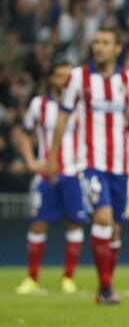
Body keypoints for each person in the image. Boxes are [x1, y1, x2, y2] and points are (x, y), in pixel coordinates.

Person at [48, 27, 129, 304]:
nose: (98, 47)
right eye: (96, 42)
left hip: (120, 166)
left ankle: (104, 286)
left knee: (115, 231)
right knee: (103, 218)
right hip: (91, 163)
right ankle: (107, 287)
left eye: (105, 42)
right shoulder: (79, 77)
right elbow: (63, 116)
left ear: (117, 48)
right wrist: (52, 156)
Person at [14, 62, 86, 295]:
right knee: (38, 223)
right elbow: (23, 134)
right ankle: (32, 278)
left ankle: (68, 278)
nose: (64, 81)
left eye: (68, 77)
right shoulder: (39, 105)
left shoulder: (81, 106)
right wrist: (29, 161)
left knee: (74, 223)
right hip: (45, 173)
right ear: (52, 79)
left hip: (74, 172)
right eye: (59, 76)